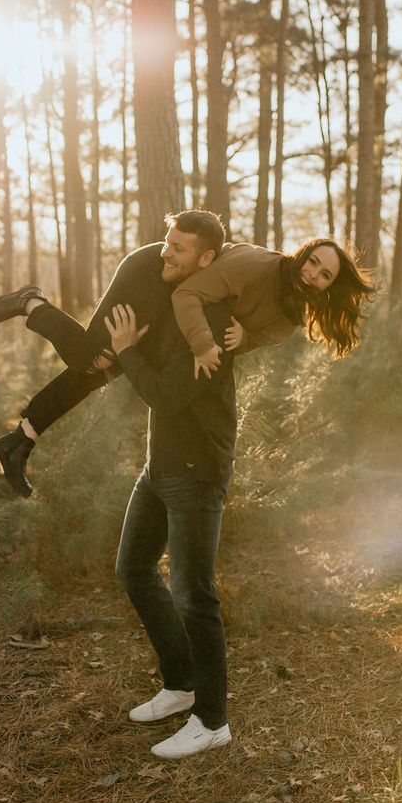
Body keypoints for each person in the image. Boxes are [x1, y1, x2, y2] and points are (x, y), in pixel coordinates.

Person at [0, 211, 375, 496]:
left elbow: (256, 335)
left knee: (102, 371)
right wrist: (205, 346)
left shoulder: (290, 316)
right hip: (157, 276)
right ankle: (31, 302)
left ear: (328, 287)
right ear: (303, 255)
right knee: (93, 358)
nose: (314, 275)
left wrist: (246, 336)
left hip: (180, 301)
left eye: (325, 275)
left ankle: (18, 443)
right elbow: (190, 295)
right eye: (313, 263)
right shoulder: (255, 265)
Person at [104, 210, 236, 758]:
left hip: (196, 473)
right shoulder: (175, 301)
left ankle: (213, 720)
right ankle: (181, 687)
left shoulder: (211, 321)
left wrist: (127, 349)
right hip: (160, 467)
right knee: (133, 568)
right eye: (165, 242)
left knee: (194, 595)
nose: (165, 254)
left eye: (178, 248)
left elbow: (167, 394)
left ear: (206, 259)